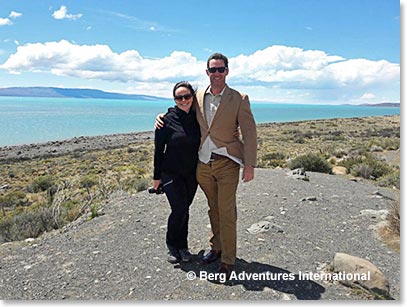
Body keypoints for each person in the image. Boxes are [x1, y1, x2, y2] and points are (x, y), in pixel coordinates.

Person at [156, 53, 257, 278]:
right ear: (207, 72)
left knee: (227, 211)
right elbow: (181, 110)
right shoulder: (199, 95)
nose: (217, 74)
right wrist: (162, 115)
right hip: (203, 164)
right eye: (213, 70)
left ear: (227, 71)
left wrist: (249, 165)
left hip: (227, 162)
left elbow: (250, 132)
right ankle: (216, 247)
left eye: (221, 69)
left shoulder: (239, 98)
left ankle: (228, 260)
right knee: (213, 209)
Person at [153, 81, 201, 264]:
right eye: (179, 97)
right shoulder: (165, 120)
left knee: (184, 209)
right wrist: (156, 178)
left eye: (187, 96)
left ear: (192, 97)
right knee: (179, 208)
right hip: (170, 173)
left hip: (191, 174)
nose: (183, 100)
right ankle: (172, 245)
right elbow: (158, 151)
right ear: (174, 99)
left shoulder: (198, 118)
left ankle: (183, 246)